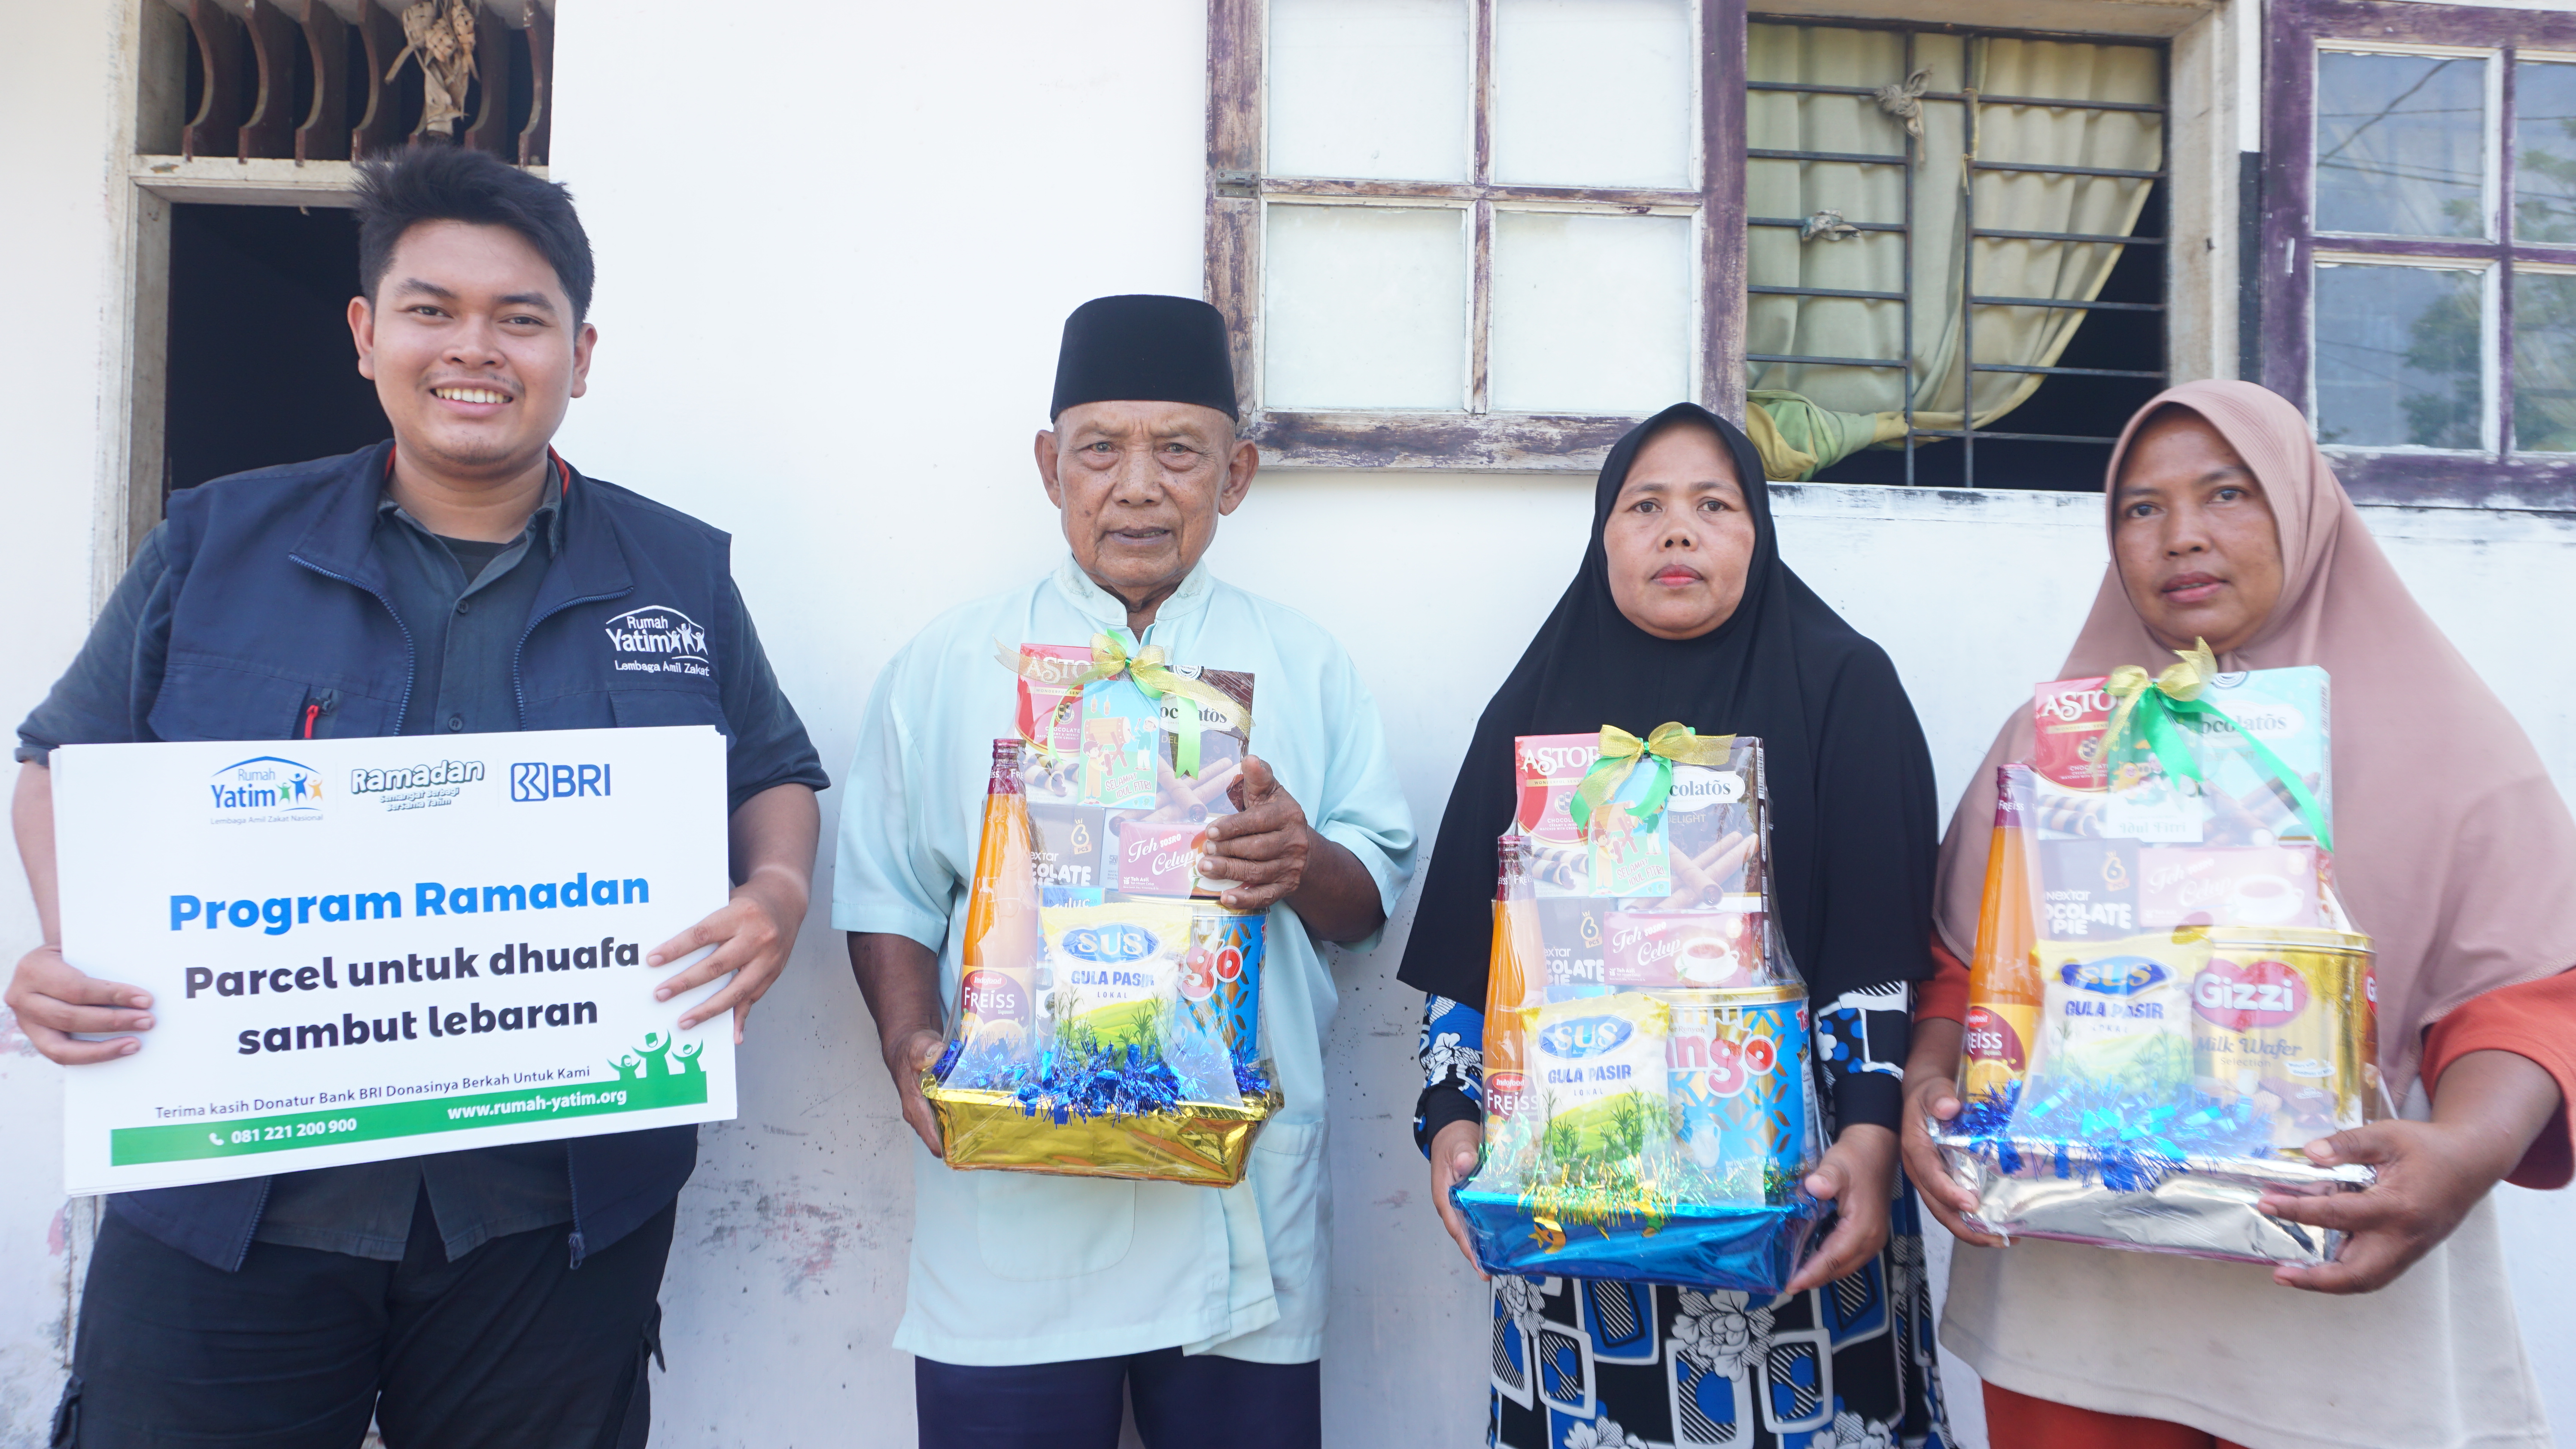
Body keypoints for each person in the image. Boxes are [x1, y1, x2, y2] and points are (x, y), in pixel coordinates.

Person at [6, 144, 829, 1448]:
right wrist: (79, 947)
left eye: (521, 319)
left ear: (580, 353)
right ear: (365, 333)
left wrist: (774, 893)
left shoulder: (676, 572)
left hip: (551, 1214)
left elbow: (771, 769)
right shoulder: (216, 545)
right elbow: (65, 758)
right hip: (228, 1195)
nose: (474, 350)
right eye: (432, 309)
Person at [1899, 379, 2576, 1449]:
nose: (2183, 535)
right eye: (2142, 507)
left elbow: (2526, 1000)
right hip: (2083, 1304)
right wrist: (1929, 1083)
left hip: (2340, 1286)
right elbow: (1960, 967)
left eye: (2228, 493)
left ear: (2303, 508)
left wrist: (2462, 1151)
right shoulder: (2055, 739)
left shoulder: (2452, 744)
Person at [836, 294, 1416, 1449]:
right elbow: (887, 888)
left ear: (1235, 476)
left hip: (1237, 1219)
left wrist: (1299, 858)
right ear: (1050, 467)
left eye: (1180, 452)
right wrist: (907, 1036)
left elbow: (1368, 904)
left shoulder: (1305, 664)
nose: (1139, 486)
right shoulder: (949, 663)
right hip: (1009, 1212)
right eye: (1100, 449)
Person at [1400, 403, 1953, 1449]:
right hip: (1572, 1222)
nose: (1678, 530)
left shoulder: (1844, 686)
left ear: (1759, 530)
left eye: (1714, 504)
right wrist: (1451, 1111)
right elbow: (1473, 964)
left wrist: (1873, 1137)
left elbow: (1879, 959)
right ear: (1605, 534)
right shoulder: (1533, 712)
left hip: (1799, 1206)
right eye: (1645, 505)